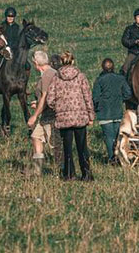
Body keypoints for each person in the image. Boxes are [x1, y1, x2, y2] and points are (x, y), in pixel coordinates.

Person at [46, 52, 95, 181]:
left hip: (63, 119)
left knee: (67, 148)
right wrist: (91, 116)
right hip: (80, 117)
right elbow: (87, 97)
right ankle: (86, 174)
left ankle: (69, 174)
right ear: (72, 61)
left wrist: (58, 108)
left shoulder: (56, 78)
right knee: (82, 147)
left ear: (62, 62)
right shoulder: (81, 77)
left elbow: (50, 99)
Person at [91, 58, 132, 163]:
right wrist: (120, 100)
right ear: (113, 67)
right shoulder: (120, 79)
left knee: (109, 137)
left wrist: (97, 108)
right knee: (118, 137)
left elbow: (95, 97)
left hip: (104, 113)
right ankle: (120, 157)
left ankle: (112, 158)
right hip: (118, 112)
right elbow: (128, 93)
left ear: (102, 67)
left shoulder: (99, 80)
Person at [26, 51, 59, 171]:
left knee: (54, 144)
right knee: (36, 137)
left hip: (50, 115)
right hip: (44, 114)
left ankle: (61, 170)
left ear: (36, 63)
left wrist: (34, 116)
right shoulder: (50, 73)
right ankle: (37, 169)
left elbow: (45, 98)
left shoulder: (47, 75)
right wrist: (37, 103)